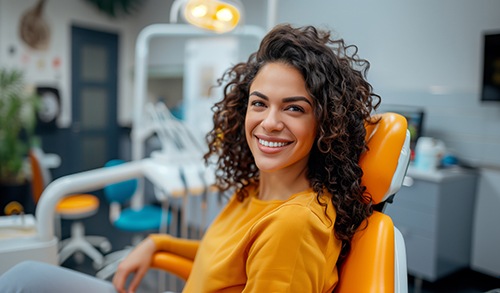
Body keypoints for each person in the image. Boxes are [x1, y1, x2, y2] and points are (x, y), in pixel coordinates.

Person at [0, 23, 381, 293]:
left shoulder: (293, 229)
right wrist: (158, 243)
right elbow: (221, 258)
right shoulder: (255, 191)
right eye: (259, 104)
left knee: (22, 281)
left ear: (326, 123)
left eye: (294, 109)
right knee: (25, 276)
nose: (269, 123)